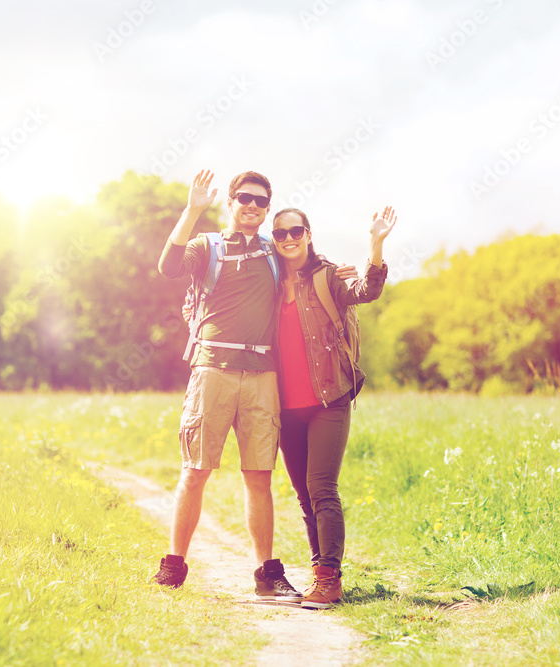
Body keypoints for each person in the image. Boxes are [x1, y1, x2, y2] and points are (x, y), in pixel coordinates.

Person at [153, 169, 303, 601]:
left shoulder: (277, 252)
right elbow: (168, 267)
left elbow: (313, 269)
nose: (252, 206)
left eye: (260, 201)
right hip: (212, 369)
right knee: (196, 471)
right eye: (245, 198)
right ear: (232, 202)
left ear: (267, 207)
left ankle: (266, 574)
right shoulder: (208, 246)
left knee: (259, 475)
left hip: (262, 375)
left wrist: (356, 268)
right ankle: (173, 565)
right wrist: (192, 210)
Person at [271, 205, 395, 609]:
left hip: (329, 399)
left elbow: (367, 291)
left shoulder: (327, 277)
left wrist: (375, 245)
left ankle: (330, 579)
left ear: (308, 234)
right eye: (281, 233)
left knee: (322, 488)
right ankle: (318, 571)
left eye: (296, 231)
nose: (288, 238)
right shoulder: (268, 283)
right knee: (304, 496)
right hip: (286, 406)